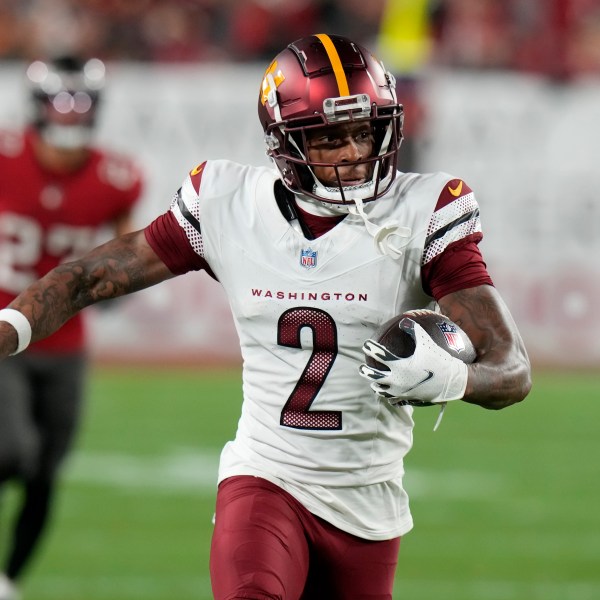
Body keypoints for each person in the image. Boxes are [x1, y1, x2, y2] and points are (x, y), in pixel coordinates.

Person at [0, 34, 530, 599]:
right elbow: (89, 276)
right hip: (265, 476)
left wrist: (458, 378)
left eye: (364, 130)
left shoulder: (425, 211)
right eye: (328, 138)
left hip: (369, 496)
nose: (352, 151)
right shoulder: (229, 203)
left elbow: (513, 369)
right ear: (284, 141)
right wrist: (9, 329)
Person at [0, 56, 143, 600]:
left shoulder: (116, 177)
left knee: (45, 472)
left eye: (80, 103)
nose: (70, 114)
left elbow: (130, 248)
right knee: (12, 451)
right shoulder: (6, 156)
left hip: (64, 343)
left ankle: (8, 581)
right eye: (61, 102)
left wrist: (118, 282)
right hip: (4, 334)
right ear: (37, 107)